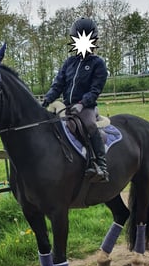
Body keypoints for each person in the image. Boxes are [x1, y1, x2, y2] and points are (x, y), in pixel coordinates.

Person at [41, 17, 110, 183]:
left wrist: (81, 104)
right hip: (66, 106)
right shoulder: (69, 63)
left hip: (86, 108)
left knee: (90, 125)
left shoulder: (98, 63)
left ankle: (101, 166)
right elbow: (58, 85)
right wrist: (45, 101)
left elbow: (95, 90)